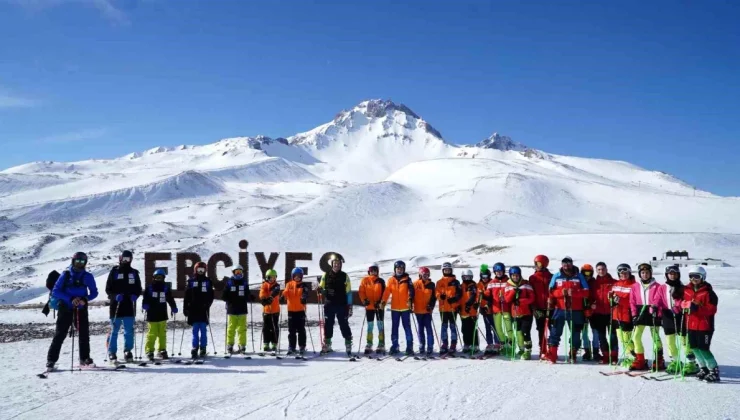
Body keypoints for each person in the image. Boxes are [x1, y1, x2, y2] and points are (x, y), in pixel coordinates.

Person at [46, 252, 99, 370]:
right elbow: (55, 291)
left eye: (82, 262)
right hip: (65, 308)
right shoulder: (65, 275)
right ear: (73, 261)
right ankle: (51, 360)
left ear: (85, 263)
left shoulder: (88, 276)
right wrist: (70, 299)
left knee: (84, 334)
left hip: (81, 309)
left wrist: (85, 299)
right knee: (60, 334)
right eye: (77, 261)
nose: (79, 264)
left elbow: (94, 292)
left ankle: (85, 358)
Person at [545, 256, 589, 364]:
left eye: (568, 264)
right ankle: (552, 354)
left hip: (576, 310)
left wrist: (575, 293)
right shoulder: (557, 276)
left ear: (572, 264)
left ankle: (573, 353)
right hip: (560, 309)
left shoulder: (579, 276)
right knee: (555, 331)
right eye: (564, 264)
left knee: (575, 332)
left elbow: (587, 292)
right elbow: (551, 291)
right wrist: (560, 293)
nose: (566, 266)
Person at [681, 266, 720, 382]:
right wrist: (684, 305)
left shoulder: (709, 292)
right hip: (691, 324)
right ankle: (704, 368)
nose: (694, 279)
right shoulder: (687, 290)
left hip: (704, 325)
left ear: (703, 277)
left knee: (703, 348)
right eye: (691, 276)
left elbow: (711, 309)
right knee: (694, 348)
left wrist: (696, 308)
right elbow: (684, 303)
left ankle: (714, 370)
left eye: (697, 276)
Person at [628, 263, 670, 371]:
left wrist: (657, 311)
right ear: (639, 274)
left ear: (650, 273)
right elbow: (632, 302)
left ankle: (659, 359)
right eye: (642, 273)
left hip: (653, 313)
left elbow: (660, 300)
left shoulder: (658, 286)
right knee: (636, 336)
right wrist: (634, 315)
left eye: (647, 273)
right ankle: (640, 360)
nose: (645, 275)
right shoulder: (635, 286)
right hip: (640, 312)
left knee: (655, 336)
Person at [105, 250, 142, 363]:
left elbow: (138, 288)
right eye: (124, 259)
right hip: (116, 305)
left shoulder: (134, 273)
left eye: (128, 259)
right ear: (120, 259)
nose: (126, 261)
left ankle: (127, 350)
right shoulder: (114, 272)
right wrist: (115, 296)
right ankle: (112, 352)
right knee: (114, 330)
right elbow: (108, 289)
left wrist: (135, 295)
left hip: (128, 305)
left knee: (129, 330)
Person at [662, 265, 699, 375]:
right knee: (670, 340)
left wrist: (678, 306)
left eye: (675, 274)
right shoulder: (662, 287)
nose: (672, 276)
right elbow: (658, 299)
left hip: (680, 316)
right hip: (667, 315)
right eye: (670, 274)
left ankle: (691, 362)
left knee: (683, 340)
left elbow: (687, 300)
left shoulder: (684, 288)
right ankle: (675, 360)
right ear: (667, 275)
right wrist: (655, 307)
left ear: (678, 275)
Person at [318, 255, 353, 355]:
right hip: (329, 304)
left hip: (342, 304)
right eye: (335, 263)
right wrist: (322, 291)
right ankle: (328, 344)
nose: (336, 265)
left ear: (340, 265)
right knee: (328, 324)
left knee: (344, 324)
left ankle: (348, 343)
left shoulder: (344, 276)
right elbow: (321, 287)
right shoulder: (326, 275)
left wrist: (349, 305)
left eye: (338, 264)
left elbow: (349, 292)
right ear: (332, 264)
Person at [142, 268, 178, 361]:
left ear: (163, 278)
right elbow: (145, 298)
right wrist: (144, 305)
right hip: (152, 314)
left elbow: (170, 298)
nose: (159, 279)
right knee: (152, 334)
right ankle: (149, 351)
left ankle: (162, 349)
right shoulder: (149, 288)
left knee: (162, 334)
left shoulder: (165, 288)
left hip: (162, 314)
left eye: (160, 277)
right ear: (153, 278)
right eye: (157, 277)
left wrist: (173, 306)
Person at [382, 260, 415, 355]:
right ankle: (395, 345)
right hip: (395, 308)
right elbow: (387, 291)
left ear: (404, 269)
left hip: (405, 308)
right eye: (398, 268)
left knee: (407, 328)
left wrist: (410, 299)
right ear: (395, 269)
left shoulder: (408, 279)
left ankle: (409, 347)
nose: (400, 270)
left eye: (401, 269)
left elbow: (411, 290)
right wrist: (384, 301)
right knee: (394, 328)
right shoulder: (391, 280)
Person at [589, 262, 618, 364]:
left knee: (613, 335)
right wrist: (591, 304)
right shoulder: (593, 283)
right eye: (599, 270)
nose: (601, 271)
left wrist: (615, 300)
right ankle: (606, 355)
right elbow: (589, 297)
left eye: (603, 269)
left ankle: (614, 356)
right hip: (598, 313)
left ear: (606, 269)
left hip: (611, 313)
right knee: (601, 336)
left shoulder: (614, 282)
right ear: (596, 271)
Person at [184, 261, 214, 359]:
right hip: (193, 309)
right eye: (199, 270)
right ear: (195, 270)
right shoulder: (191, 281)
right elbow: (187, 296)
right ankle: (195, 347)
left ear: (205, 271)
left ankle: (203, 347)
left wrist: (208, 304)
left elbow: (211, 295)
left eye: (202, 270)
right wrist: (186, 308)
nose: (200, 272)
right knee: (195, 330)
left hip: (204, 309)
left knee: (203, 330)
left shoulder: (208, 281)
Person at [504, 266, 535, 359]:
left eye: (517, 275)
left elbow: (532, 298)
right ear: (510, 276)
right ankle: (521, 349)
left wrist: (521, 301)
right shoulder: (508, 285)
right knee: (518, 332)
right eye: (513, 275)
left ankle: (528, 351)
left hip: (526, 313)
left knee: (525, 332)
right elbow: (507, 299)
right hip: (515, 313)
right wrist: (513, 291)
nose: (515, 277)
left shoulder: (525, 284)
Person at [611, 263, 637, 367]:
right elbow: (613, 298)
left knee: (627, 338)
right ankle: (628, 356)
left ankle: (632, 357)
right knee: (621, 338)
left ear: (629, 273)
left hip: (627, 314)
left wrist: (621, 300)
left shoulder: (634, 285)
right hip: (616, 315)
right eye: (621, 273)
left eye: (625, 273)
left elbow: (634, 301)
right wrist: (611, 299)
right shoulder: (616, 285)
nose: (623, 275)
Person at [484, 262, 513, 354]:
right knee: (498, 330)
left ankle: (512, 345)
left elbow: (512, 292)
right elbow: (488, 293)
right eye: (497, 271)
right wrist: (482, 295)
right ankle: (504, 344)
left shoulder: (508, 281)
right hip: (496, 309)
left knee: (509, 329)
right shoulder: (492, 283)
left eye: (500, 271)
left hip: (506, 309)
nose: (499, 273)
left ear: (503, 271)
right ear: (494, 272)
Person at [358, 263, 386, 355]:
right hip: (369, 306)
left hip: (379, 307)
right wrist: (364, 300)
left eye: (375, 270)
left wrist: (381, 301)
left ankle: (381, 343)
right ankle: (369, 343)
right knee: (370, 326)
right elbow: (361, 291)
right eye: (372, 270)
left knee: (380, 325)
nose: (373, 272)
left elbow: (384, 293)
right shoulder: (365, 280)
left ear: (377, 271)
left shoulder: (381, 281)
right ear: (369, 271)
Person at [221, 265, 250, 355]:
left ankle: (242, 345)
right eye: (236, 272)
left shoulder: (244, 283)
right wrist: (227, 297)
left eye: (240, 272)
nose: (238, 274)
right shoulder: (229, 282)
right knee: (231, 328)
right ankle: (230, 345)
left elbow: (247, 294)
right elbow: (224, 295)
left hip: (242, 309)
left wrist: (250, 297)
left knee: (242, 328)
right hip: (232, 309)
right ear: (233, 273)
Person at [281, 267, 310, 356]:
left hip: (300, 310)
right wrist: (282, 296)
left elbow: (306, 292)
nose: (297, 278)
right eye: (295, 276)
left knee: (301, 329)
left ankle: (302, 346)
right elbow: (286, 292)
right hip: (291, 311)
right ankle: (291, 346)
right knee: (291, 330)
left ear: (301, 276)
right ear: (292, 276)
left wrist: (304, 297)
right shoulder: (289, 284)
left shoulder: (303, 285)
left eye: (299, 276)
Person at [529, 255, 553, 360]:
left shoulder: (551, 276)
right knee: (541, 329)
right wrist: (533, 307)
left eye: (538, 264)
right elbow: (531, 292)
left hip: (551, 308)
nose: (536, 266)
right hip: (538, 308)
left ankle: (552, 350)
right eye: (535, 264)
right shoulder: (532, 278)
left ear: (544, 264)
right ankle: (543, 350)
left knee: (553, 329)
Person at [435, 262, 462, 355]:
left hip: (452, 308)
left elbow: (459, 294)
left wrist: (454, 299)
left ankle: (453, 343)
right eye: (445, 270)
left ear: (451, 270)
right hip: (443, 308)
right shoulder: (439, 282)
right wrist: (440, 296)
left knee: (453, 326)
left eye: (449, 270)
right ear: (443, 270)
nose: (447, 271)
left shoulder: (456, 282)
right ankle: (444, 343)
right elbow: (436, 292)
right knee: (444, 326)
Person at [413, 266, 436, 356]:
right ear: (420, 275)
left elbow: (434, 298)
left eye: (427, 275)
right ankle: (422, 345)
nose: (425, 276)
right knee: (420, 329)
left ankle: (430, 346)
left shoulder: (431, 284)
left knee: (429, 329)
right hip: (418, 311)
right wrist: (410, 304)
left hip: (427, 311)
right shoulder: (415, 284)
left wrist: (431, 305)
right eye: (423, 274)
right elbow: (411, 296)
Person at [477, 264, 499, 355]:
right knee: (487, 327)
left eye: (486, 276)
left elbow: (494, 296)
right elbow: (478, 297)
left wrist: (489, 304)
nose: (485, 278)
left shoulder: (492, 283)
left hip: (493, 309)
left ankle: (497, 344)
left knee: (494, 327)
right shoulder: (479, 284)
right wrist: (480, 307)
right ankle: (490, 344)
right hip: (484, 310)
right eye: (483, 276)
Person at [259, 269, 281, 353]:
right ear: (267, 277)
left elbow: (276, 291)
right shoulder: (264, 285)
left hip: (275, 310)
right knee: (266, 327)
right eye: (270, 277)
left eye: (274, 277)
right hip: (266, 310)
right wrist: (263, 299)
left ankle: (274, 343)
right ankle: (266, 343)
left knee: (274, 327)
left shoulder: (277, 285)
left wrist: (270, 297)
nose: (272, 279)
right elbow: (262, 292)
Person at [459, 269, 480, 354]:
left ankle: (475, 345)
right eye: (465, 277)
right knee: (464, 329)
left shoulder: (474, 286)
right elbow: (459, 297)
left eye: (468, 277)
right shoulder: (461, 286)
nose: (467, 279)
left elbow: (474, 296)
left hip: (472, 311)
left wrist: (470, 304)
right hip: (463, 312)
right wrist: (458, 306)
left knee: (473, 329)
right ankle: (467, 344)